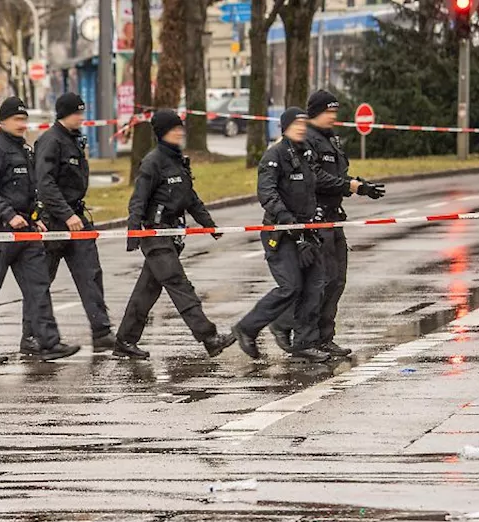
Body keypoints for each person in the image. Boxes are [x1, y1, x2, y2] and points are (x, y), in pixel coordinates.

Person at [269, 90, 386, 357]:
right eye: (328, 111)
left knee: (336, 281)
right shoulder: (306, 139)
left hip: (334, 217)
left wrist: (360, 186)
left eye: (335, 111)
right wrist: (351, 186)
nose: (333, 116)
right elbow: (315, 177)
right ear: (315, 112)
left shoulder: (330, 139)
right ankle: (299, 334)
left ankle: (324, 337)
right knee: (319, 282)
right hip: (316, 219)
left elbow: (338, 174)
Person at [0, 96, 80, 365]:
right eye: (17, 119)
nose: (22, 124)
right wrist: (9, 215)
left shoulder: (23, 150)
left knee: (39, 287)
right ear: (2, 121)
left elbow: (29, 190)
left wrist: (33, 216)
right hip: (1, 233)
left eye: (24, 119)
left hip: (26, 233)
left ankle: (47, 343)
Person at [114, 110, 235, 360]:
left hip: (171, 234)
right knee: (179, 284)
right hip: (155, 235)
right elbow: (138, 200)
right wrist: (133, 232)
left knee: (146, 291)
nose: (180, 132)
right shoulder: (152, 162)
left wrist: (208, 225)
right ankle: (209, 337)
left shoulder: (179, 161)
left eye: (180, 128)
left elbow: (190, 197)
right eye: (174, 129)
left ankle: (125, 340)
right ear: (162, 133)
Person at [232, 107, 331, 363]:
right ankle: (247, 328)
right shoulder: (274, 156)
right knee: (291, 287)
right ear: (285, 128)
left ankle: (304, 344)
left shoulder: (306, 154)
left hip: (306, 232)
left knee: (315, 286)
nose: (301, 128)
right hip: (281, 232)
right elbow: (266, 192)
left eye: (303, 124)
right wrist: (285, 216)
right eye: (296, 124)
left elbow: (314, 189)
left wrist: (317, 215)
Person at [20, 92, 114, 355]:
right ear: (64, 114)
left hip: (75, 218)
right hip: (55, 222)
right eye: (77, 113)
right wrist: (66, 214)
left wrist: (75, 215)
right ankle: (30, 337)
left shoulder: (72, 139)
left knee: (91, 274)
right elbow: (45, 184)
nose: (81, 118)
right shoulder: (51, 141)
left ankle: (102, 332)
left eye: (83, 112)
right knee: (41, 282)